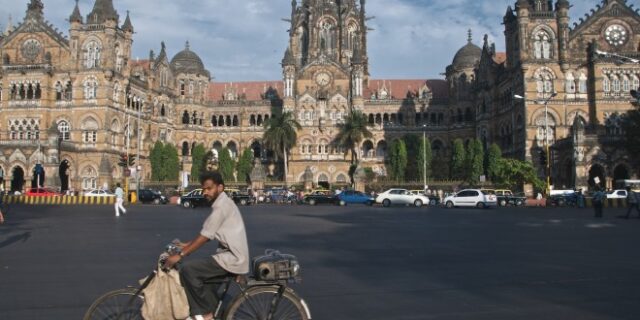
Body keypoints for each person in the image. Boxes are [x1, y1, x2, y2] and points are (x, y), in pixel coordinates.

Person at [164, 171, 249, 320]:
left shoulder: (221, 207)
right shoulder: (222, 203)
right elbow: (208, 233)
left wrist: (181, 254)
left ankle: (206, 314)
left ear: (220, 188)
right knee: (205, 283)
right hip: (230, 256)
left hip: (232, 258)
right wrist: (186, 244)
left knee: (188, 270)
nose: (205, 192)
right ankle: (213, 312)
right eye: (204, 189)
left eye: (209, 189)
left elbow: (205, 237)